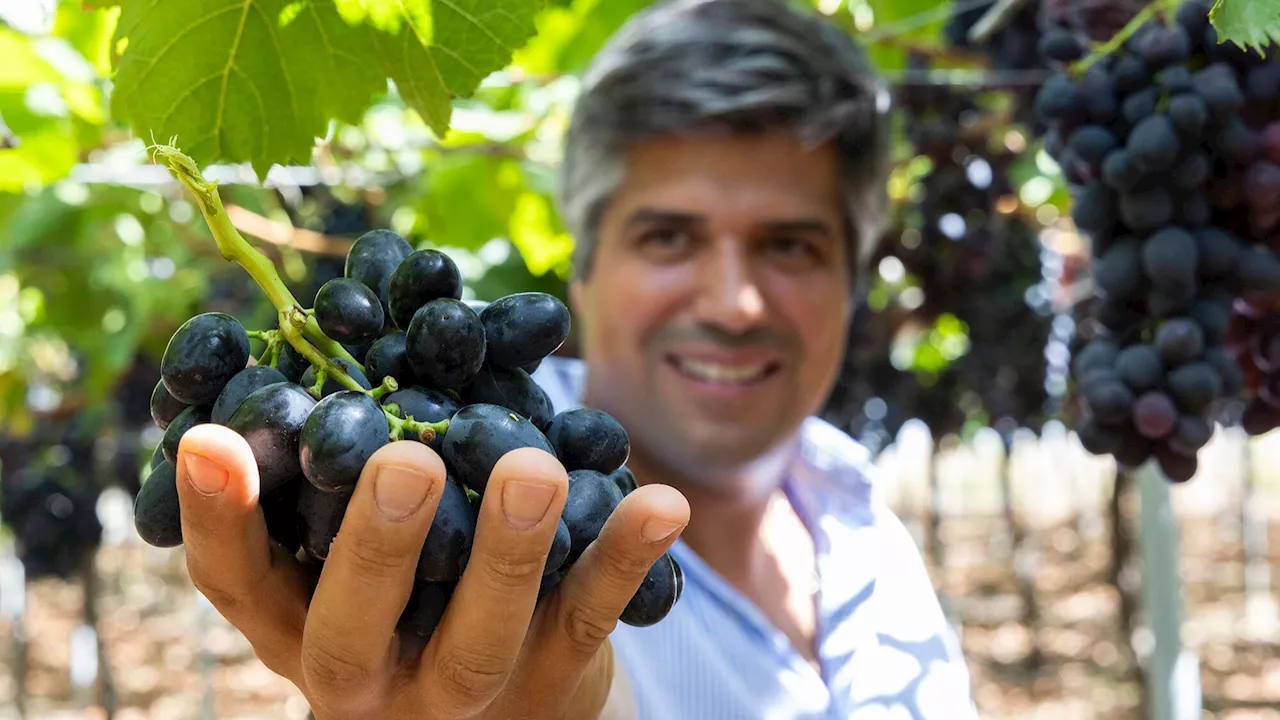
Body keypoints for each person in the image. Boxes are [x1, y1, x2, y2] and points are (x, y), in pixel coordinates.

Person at [171, 0, 979, 718]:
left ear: (853, 278)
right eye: (669, 237)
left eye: (791, 245)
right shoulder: (488, 506)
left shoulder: (860, 516)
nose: (734, 302)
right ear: (583, 269)